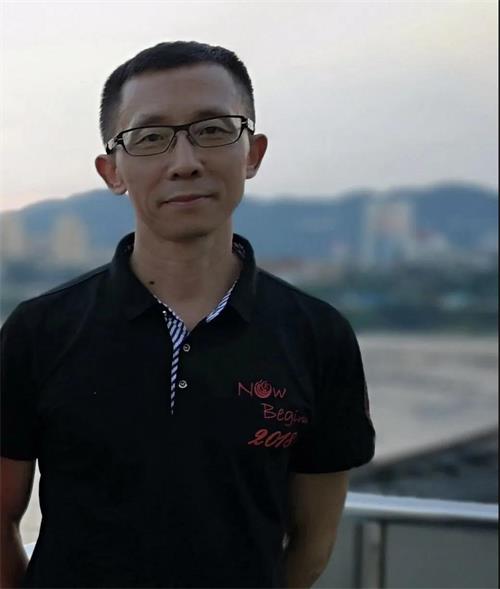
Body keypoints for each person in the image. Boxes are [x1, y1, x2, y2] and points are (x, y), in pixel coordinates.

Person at [0, 41, 375, 588]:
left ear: (253, 153)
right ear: (112, 170)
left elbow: (312, 541)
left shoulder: (318, 336)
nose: (185, 162)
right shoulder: (38, 332)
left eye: (213, 129)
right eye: (151, 138)